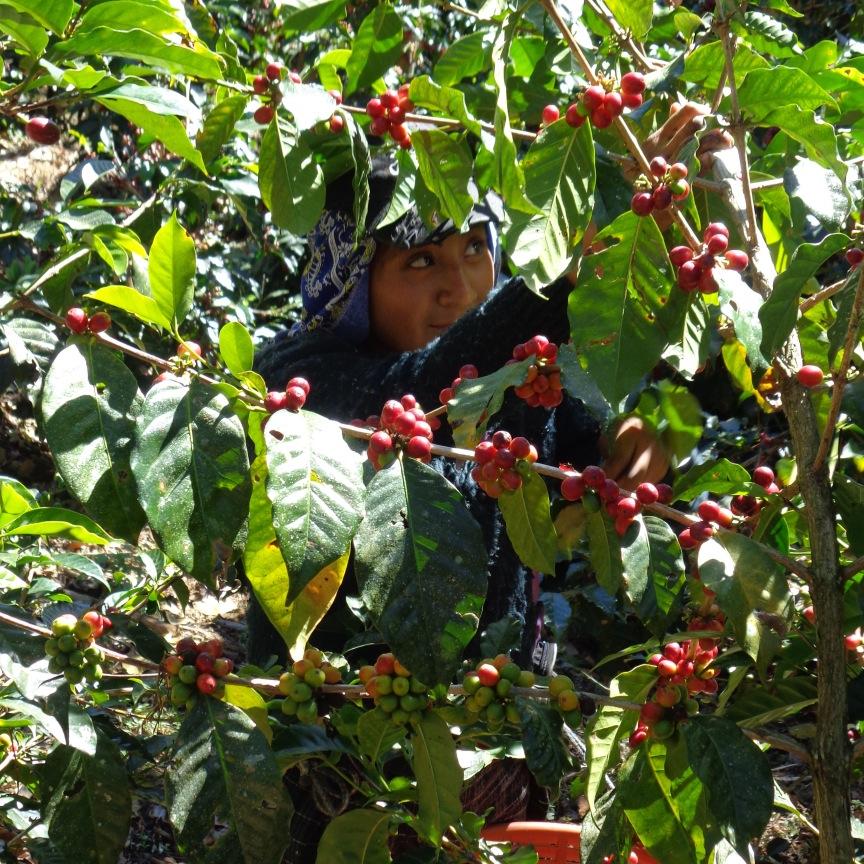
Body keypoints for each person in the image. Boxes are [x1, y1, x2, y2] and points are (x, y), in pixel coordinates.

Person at [254, 101, 730, 862]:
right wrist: (572, 275)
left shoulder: (521, 382)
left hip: (493, 725)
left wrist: (648, 434)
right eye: (420, 261)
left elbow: (593, 439)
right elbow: (427, 390)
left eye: (477, 249)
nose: (461, 286)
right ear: (347, 274)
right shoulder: (303, 383)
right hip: (346, 745)